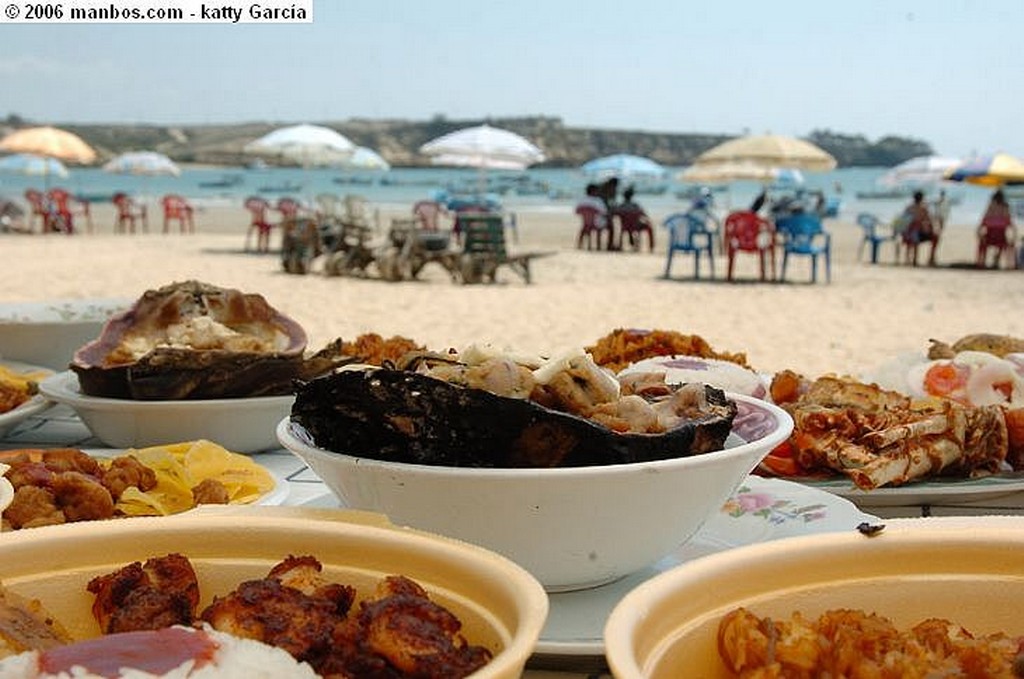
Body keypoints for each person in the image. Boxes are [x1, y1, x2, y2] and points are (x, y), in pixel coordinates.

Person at [976, 188, 1017, 269]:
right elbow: (1012, 226)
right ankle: (1007, 263)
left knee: (982, 244)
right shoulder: (1005, 208)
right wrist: (1013, 238)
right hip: (1001, 239)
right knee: (1005, 244)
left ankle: (981, 263)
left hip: (989, 238)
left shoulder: (990, 208)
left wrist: (979, 236)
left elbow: (981, 225)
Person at [901, 190, 939, 266]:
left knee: (916, 235)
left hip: (909, 234)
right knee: (935, 237)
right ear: (922, 198)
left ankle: (909, 259)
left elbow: (903, 221)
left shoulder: (909, 208)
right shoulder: (923, 208)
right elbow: (929, 221)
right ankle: (930, 258)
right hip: (916, 234)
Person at [614, 185, 655, 251]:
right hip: (636, 226)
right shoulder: (635, 206)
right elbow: (644, 215)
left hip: (625, 226)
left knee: (629, 227)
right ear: (631, 196)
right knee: (649, 227)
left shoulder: (621, 206)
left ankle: (621, 245)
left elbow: (615, 214)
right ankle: (651, 247)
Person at [575, 183, 609, 250]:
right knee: (609, 226)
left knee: (584, 227)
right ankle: (600, 245)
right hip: (597, 223)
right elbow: (604, 213)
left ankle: (580, 244)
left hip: (586, 222)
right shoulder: (598, 200)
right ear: (594, 191)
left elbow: (577, 211)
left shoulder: (582, 200)